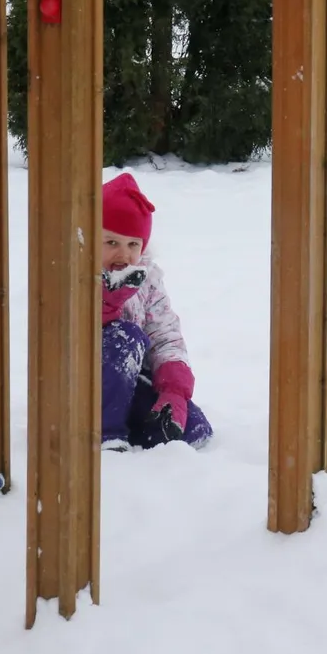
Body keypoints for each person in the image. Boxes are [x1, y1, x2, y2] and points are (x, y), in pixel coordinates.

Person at [98, 172, 213, 450]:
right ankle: (107, 437)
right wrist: (109, 301)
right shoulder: (80, 274)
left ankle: (145, 435)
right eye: (111, 242)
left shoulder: (147, 279)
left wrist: (173, 390)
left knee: (194, 427)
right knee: (127, 337)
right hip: (83, 382)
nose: (123, 255)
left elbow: (165, 335)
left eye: (133, 244)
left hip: (128, 383)